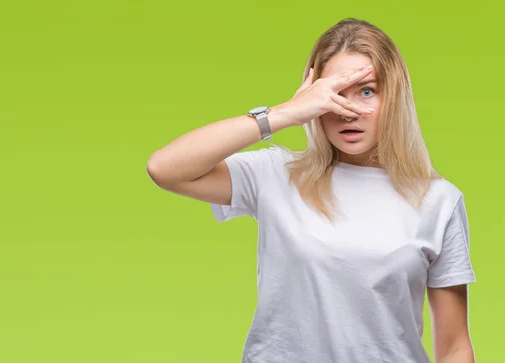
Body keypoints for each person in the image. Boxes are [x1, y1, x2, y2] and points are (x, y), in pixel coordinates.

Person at [146, 18, 476, 363]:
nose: (348, 111)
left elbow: (454, 347)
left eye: (367, 91)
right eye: (334, 94)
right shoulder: (276, 174)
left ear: (394, 96)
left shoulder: (439, 200)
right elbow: (165, 168)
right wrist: (283, 114)